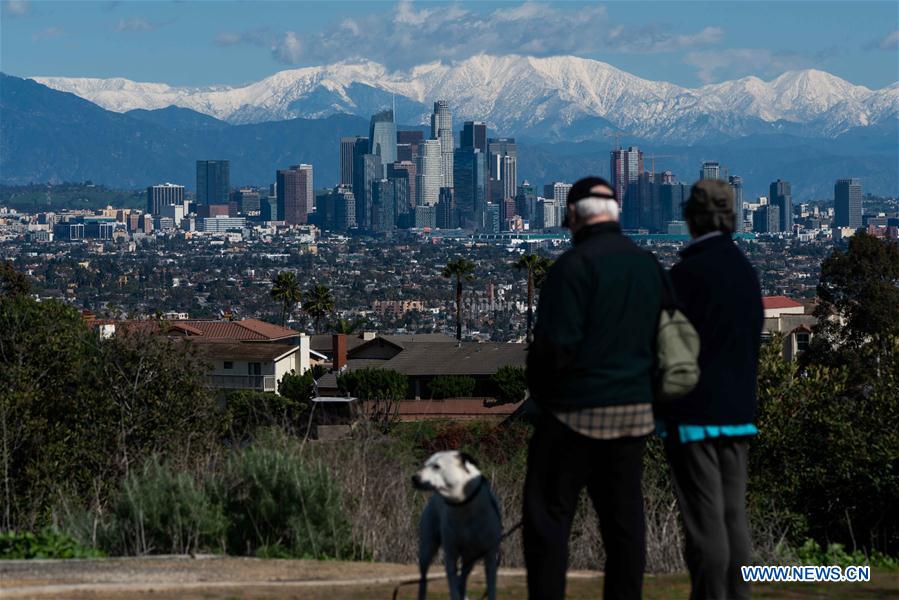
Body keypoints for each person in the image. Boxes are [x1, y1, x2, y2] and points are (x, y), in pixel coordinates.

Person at [523, 176, 663, 600]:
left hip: (573, 416)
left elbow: (552, 351)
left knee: (548, 520)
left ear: (571, 216)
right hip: (634, 417)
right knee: (624, 525)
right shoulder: (649, 267)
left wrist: (544, 397)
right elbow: (674, 343)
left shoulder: (572, 268)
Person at [657, 180, 763, 600]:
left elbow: (663, 345)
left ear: (691, 219)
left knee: (705, 522)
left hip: (694, 416)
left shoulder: (685, 275)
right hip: (738, 414)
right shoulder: (745, 271)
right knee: (734, 518)